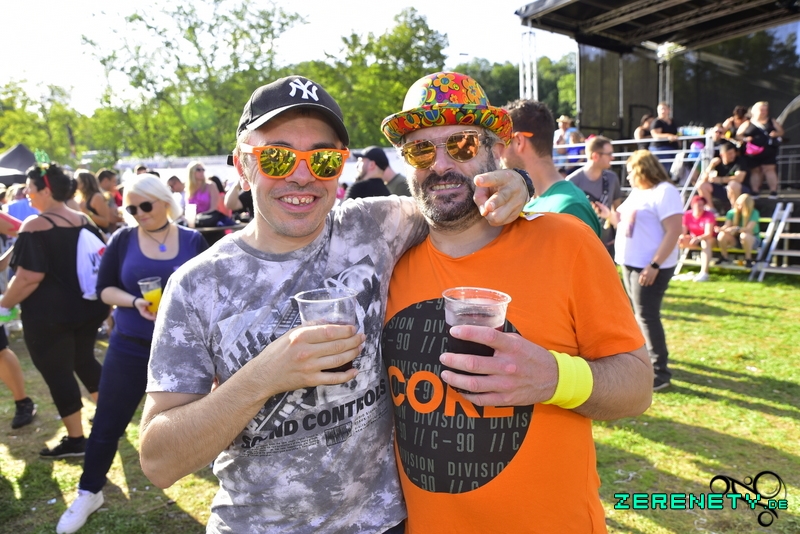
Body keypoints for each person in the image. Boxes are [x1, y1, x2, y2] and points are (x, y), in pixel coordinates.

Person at [138, 74, 528, 533]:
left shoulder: (376, 225)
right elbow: (159, 463)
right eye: (278, 157)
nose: (302, 176)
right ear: (243, 165)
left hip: (382, 524)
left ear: (341, 165)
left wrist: (519, 182)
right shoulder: (197, 285)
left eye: (323, 159)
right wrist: (264, 376)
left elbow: (452, 196)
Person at [380, 71, 651, 533]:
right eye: (420, 150)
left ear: (496, 150)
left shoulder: (565, 243)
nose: (440, 165)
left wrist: (554, 378)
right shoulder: (389, 263)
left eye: (462, 145)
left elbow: (637, 386)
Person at [56, 174, 207, 534]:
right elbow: (104, 289)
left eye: (145, 205)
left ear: (164, 201)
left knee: (201, 423)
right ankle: (89, 491)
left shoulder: (193, 240)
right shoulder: (123, 239)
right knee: (107, 423)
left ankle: (231, 491)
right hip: (130, 346)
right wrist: (135, 301)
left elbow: (210, 292)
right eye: (130, 208)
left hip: (181, 350)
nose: (138, 213)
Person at [0, 163, 110, 457]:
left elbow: (28, 277)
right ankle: (110, 419)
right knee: (84, 361)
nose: (26, 193)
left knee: (58, 373)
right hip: (88, 310)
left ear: (46, 191)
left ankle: (76, 440)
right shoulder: (82, 219)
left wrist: (4, 304)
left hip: (50, 317)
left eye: (30, 188)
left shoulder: (35, 225)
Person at [594, 150, 683, 392]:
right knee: (638, 314)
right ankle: (646, 364)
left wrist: (654, 265)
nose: (628, 176)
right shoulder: (638, 192)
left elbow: (674, 230)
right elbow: (624, 224)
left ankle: (660, 372)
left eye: (632, 171)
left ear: (644, 170)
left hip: (650, 266)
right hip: (631, 263)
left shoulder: (665, 191)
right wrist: (608, 215)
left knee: (647, 316)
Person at [501, 99, 601, 236]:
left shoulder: (569, 207)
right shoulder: (532, 202)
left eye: (501, 141)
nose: (497, 151)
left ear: (519, 141)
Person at [567, 135, 623, 252]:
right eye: (609, 154)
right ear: (595, 156)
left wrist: (618, 236)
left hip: (606, 245)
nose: (612, 157)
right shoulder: (572, 182)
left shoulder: (612, 178)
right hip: (581, 246)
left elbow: (618, 211)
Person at [736, 101, 783, 199]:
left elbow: (781, 131)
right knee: (755, 171)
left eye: (765, 110)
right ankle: (755, 191)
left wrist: (775, 134)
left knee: (769, 169)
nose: (763, 112)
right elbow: (738, 135)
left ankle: (773, 191)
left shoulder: (771, 121)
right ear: (754, 111)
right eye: (761, 110)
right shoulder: (748, 123)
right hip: (753, 152)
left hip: (768, 151)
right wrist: (745, 139)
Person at [695, 140, 751, 212]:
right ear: (722, 155)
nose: (732, 155)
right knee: (701, 185)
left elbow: (739, 178)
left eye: (733, 153)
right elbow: (703, 179)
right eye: (729, 154)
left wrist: (720, 179)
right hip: (722, 190)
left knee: (732, 185)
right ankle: (710, 210)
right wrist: (711, 166)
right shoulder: (717, 162)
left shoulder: (740, 161)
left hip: (740, 189)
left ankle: (735, 211)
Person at [678, 195, 717, 282]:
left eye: (702, 205)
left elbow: (708, 233)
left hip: (710, 240)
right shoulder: (687, 214)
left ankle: (704, 273)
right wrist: (681, 237)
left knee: (705, 242)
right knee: (676, 241)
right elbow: (683, 232)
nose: (700, 208)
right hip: (694, 240)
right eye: (698, 205)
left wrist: (698, 238)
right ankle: (668, 268)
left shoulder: (709, 215)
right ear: (692, 205)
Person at [717, 193, 760, 268]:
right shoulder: (731, 213)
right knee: (721, 235)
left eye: (742, 206)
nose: (739, 207)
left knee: (744, 235)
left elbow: (748, 229)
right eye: (738, 205)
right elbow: (727, 226)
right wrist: (721, 229)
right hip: (736, 239)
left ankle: (748, 259)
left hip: (751, 239)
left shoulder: (754, 213)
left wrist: (736, 228)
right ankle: (725, 257)